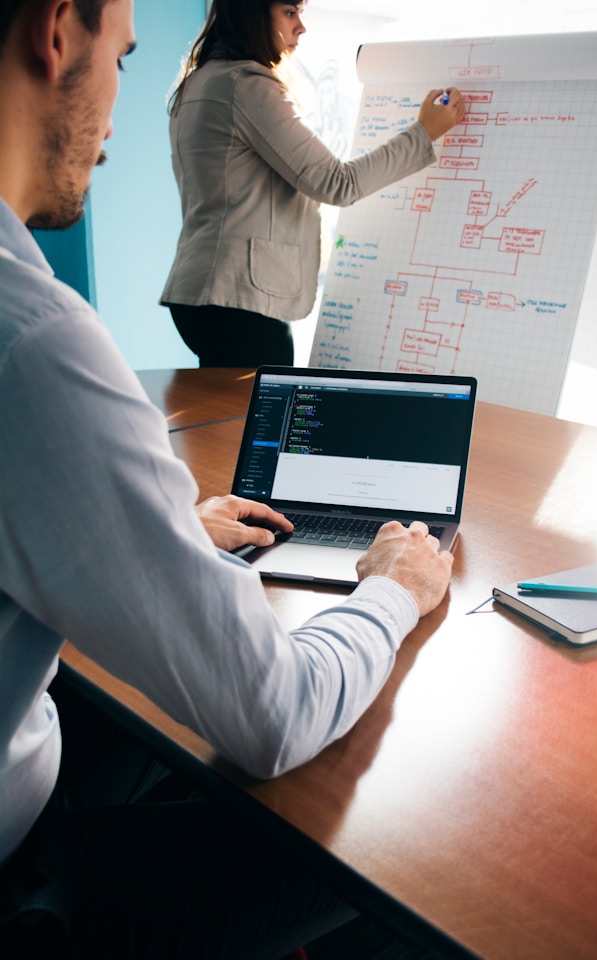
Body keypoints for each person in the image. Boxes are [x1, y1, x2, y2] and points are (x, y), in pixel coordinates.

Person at [0, 1, 455, 957]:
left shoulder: (198, 88)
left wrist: (157, 527)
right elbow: (275, 713)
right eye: (121, 54)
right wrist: (390, 594)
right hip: (23, 885)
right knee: (390, 840)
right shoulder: (33, 343)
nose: (120, 112)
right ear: (55, 34)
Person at [160, 0, 465, 367]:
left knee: (227, 422)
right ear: (253, 14)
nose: (301, 27)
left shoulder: (200, 81)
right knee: (265, 422)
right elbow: (337, 182)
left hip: (201, 295)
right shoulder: (245, 87)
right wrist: (423, 133)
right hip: (238, 301)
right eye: (290, 12)